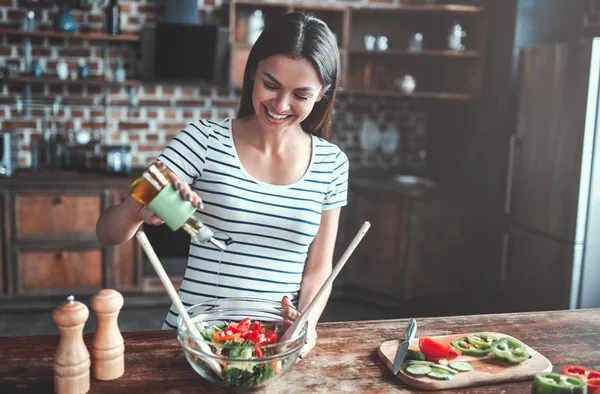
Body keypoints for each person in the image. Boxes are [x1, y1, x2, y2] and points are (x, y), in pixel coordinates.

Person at [96, 12, 348, 359]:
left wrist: (306, 324)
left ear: (322, 94)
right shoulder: (203, 140)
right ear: (251, 72)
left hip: (274, 347)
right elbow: (107, 233)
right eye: (271, 85)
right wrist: (136, 209)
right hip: (197, 342)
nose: (280, 105)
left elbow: (319, 267)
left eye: (301, 95)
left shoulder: (331, 163)